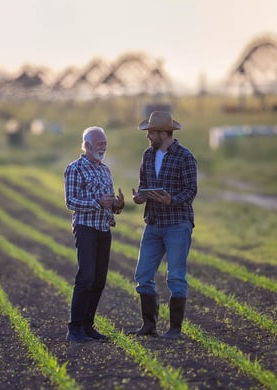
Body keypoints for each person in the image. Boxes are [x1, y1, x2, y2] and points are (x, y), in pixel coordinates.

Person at [129, 111, 197, 340]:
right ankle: (149, 326)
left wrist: (172, 200)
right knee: (143, 275)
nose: (148, 136)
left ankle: (175, 329)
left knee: (176, 277)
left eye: (150, 132)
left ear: (162, 133)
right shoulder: (147, 156)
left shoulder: (184, 157)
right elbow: (144, 185)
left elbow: (191, 191)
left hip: (177, 224)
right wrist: (140, 197)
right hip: (153, 223)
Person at [64, 126, 124, 343]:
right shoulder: (75, 169)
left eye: (105, 143)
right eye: (100, 144)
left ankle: (88, 326)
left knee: (99, 280)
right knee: (86, 277)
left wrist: (117, 205)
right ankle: (75, 328)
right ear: (87, 145)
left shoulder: (104, 170)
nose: (103, 147)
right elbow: (70, 201)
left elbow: (107, 202)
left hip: (103, 228)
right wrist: (97, 203)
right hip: (86, 228)